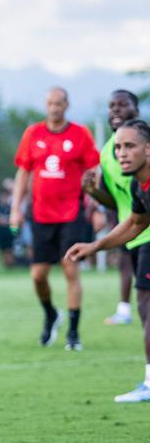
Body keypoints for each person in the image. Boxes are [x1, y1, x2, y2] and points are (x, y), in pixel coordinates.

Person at [10, 87, 100, 350]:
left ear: (67, 105)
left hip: (72, 214)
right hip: (40, 215)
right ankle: (51, 314)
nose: (54, 108)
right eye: (50, 103)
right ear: (45, 105)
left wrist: (96, 204)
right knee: (38, 275)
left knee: (70, 269)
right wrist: (16, 207)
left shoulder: (80, 133)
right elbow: (23, 173)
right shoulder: (33, 133)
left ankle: (73, 332)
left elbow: (93, 169)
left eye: (59, 103)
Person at [67, 119, 150, 402]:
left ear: (148, 149)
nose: (122, 153)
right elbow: (136, 223)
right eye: (118, 148)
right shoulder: (140, 187)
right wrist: (95, 246)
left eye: (130, 146)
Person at [83, 90, 143, 326]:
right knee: (144, 301)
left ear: (135, 110)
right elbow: (115, 200)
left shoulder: (145, 142)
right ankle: (124, 309)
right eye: (111, 106)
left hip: (145, 231)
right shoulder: (108, 152)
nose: (115, 110)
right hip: (131, 231)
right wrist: (93, 192)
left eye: (122, 105)